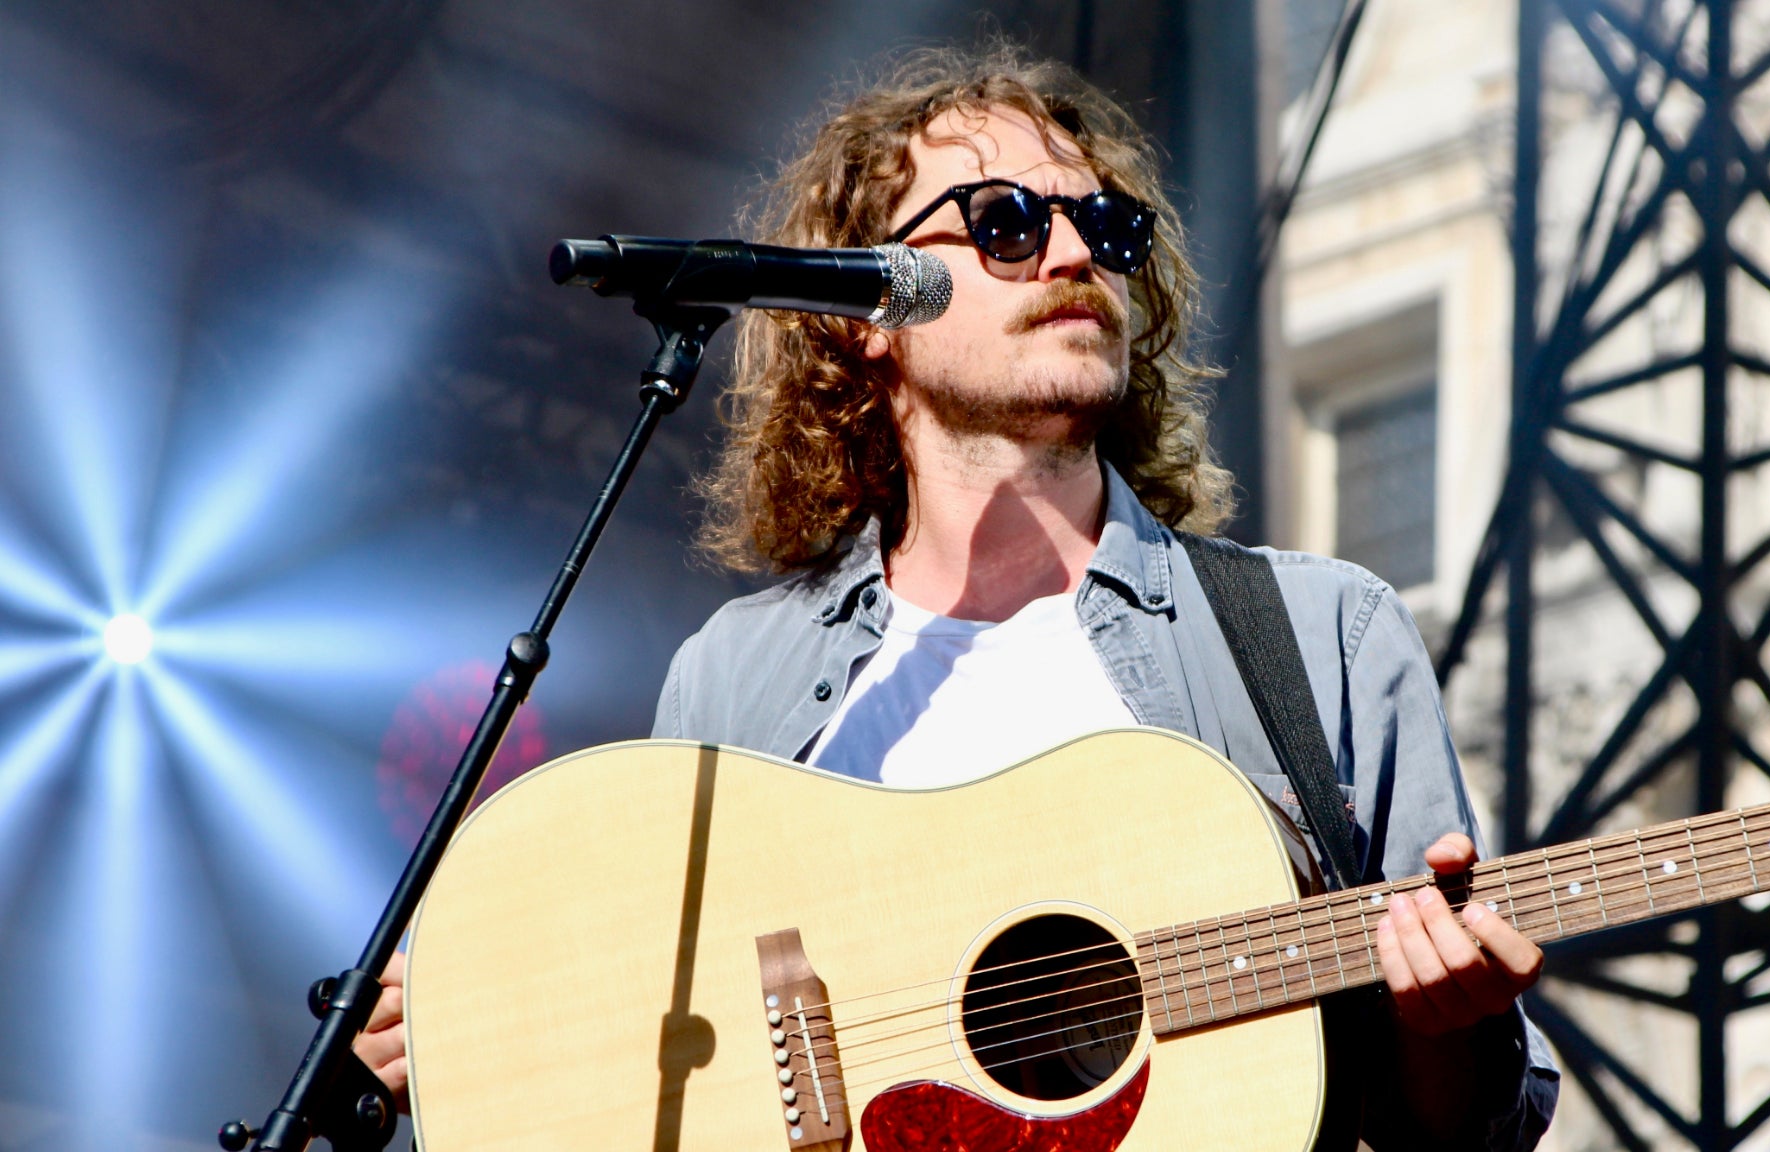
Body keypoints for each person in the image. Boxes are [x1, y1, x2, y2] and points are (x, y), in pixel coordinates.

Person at [358, 42, 1558, 1150]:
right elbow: (654, 1067)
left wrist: (1451, 1025)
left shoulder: (1320, 635)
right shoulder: (734, 674)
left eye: (1105, 227)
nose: (1073, 257)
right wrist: (483, 1045)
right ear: (869, 315)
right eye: (1003, 223)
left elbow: (1474, 1133)